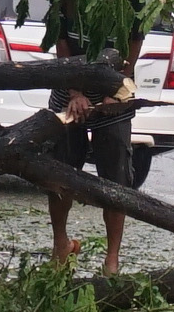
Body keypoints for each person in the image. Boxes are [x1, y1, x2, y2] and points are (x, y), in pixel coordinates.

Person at [38, 56, 136, 274]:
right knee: (60, 172)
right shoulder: (70, 21)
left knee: (116, 179)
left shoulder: (129, 23)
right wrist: (75, 93)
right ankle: (61, 245)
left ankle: (112, 260)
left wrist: (115, 91)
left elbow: (131, 50)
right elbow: (63, 50)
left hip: (115, 97)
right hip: (69, 96)